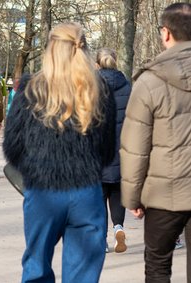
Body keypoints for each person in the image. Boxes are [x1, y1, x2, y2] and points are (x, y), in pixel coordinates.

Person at [3, 22, 116, 282]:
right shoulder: (99, 91)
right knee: (83, 273)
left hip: (43, 191)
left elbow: (13, 146)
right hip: (86, 192)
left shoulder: (31, 89)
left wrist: (36, 170)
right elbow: (108, 150)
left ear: (50, 49)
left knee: (37, 266)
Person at [120, 3, 191, 282]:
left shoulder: (149, 81)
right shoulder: (148, 79)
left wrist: (132, 196)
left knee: (158, 265)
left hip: (164, 192)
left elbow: (135, 147)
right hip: (167, 191)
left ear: (166, 33)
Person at [96, 48, 131, 253]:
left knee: (99, 196)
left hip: (98, 151)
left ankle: (102, 239)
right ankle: (119, 227)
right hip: (121, 149)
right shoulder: (127, 86)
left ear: (97, 64)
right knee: (117, 191)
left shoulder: (90, 87)